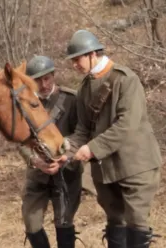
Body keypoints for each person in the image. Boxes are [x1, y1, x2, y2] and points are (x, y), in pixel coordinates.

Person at [53, 29, 162, 248]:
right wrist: (66, 149)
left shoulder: (126, 79)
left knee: (136, 224)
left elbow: (126, 125)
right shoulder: (84, 88)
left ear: (93, 53)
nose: (74, 64)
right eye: (72, 60)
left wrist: (91, 149)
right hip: (106, 170)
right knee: (115, 222)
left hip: (135, 165)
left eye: (78, 59)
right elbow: (83, 129)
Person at [19, 55, 82, 248]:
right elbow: (21, 140)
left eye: (47, 78)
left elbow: (82, 133)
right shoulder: (24, 104)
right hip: (38, 174)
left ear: (53, 75)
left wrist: (66, 157)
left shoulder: (71, 100)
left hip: (66, 173)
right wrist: (34, 160)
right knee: (31, 223)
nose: (44, 84)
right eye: (38, 80)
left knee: (63, 222)